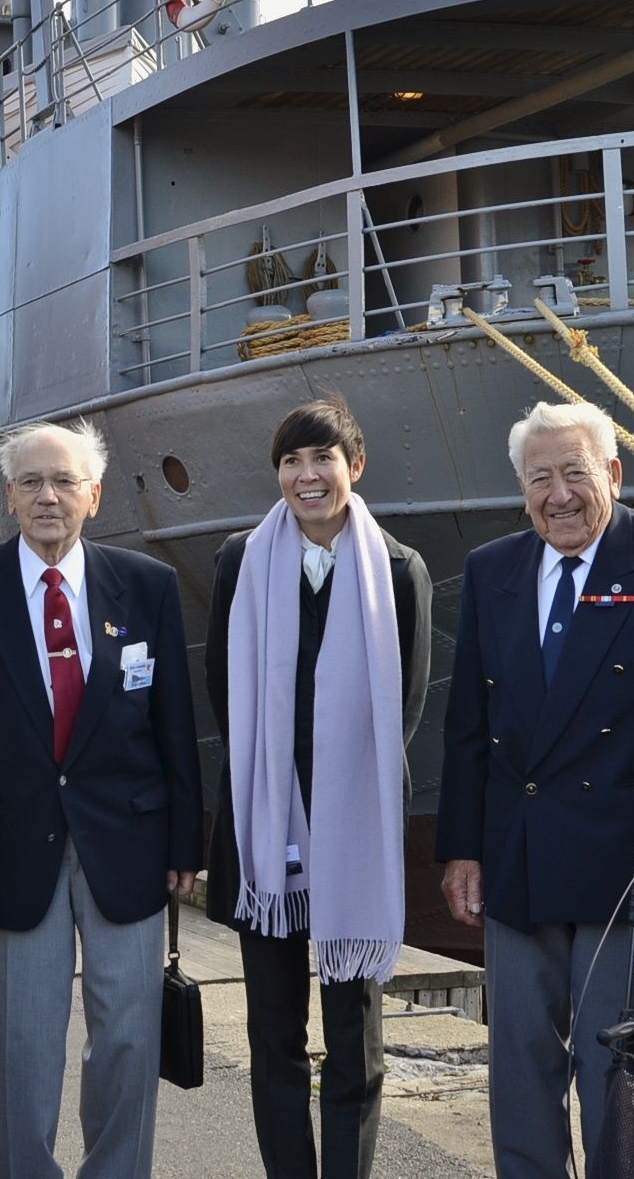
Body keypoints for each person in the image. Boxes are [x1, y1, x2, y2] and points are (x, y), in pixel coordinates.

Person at [434, 400, 634, 1179]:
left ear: (613, 473)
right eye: (540, 478)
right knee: (519, 1065)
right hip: (517, 853)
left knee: (622, 1068)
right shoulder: (492, 568)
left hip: (630, 861)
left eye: (575, 472)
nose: (559, 494)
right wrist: (461, 849)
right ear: (521, 488)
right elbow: (467, 721)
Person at [0, 420, 200, 1179]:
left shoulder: (145, 585)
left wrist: (186, 841)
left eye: (64, 482)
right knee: (22, 1044)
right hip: (7, 845)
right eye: (31, 482)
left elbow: (174, 723)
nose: (47, 496)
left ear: (95, 495)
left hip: (129, 843)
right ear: (9, 496)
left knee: (128, 1038)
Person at [205, 397, 430, 1179]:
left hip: (352, 829)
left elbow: (403, 710)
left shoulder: (397, 570)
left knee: (354, 1036)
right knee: (273, 1033)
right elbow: (223, 693)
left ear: (354, 465)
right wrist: (274, 788)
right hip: (264, 825)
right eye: (291, 461)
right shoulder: (239, 560)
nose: (307, 475)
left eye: (322, 457)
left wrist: (337, 797)